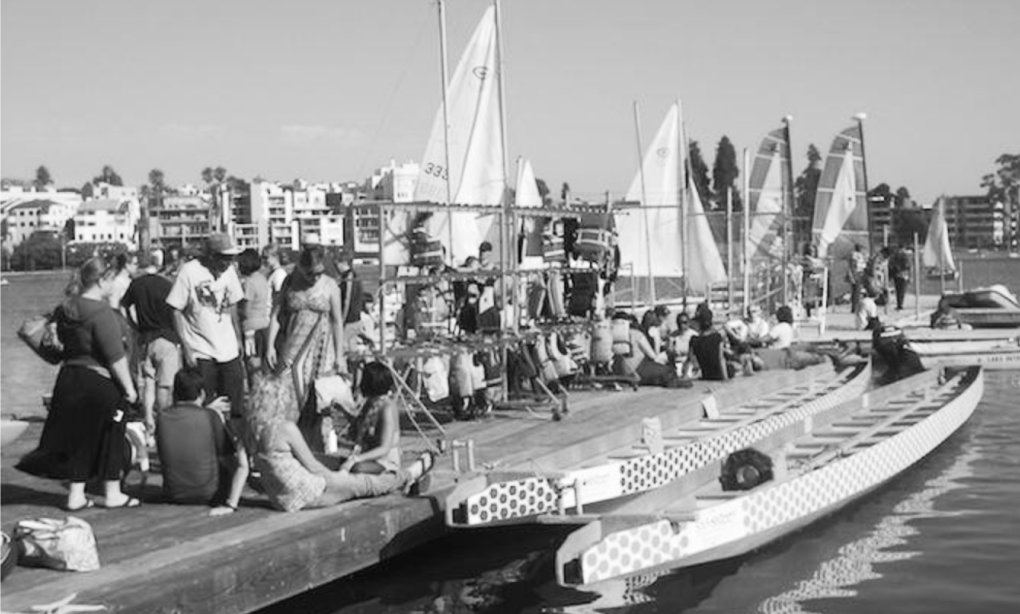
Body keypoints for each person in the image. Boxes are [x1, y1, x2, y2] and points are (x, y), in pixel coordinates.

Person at [17, 257, 140, 510]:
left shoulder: (66, 308)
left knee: (80, 439)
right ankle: (113, 493)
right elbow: (114, 357)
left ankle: (76, 495)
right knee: (110, 436)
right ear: (102, 280)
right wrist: (130, 389)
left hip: (69, 379)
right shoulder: (102, 312)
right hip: (99, 381)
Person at [246, 373, 435, 512]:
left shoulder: (251, 431)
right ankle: (411, 474)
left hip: (282, 499)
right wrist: (338, 477)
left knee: (347, 471)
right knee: (363, 484)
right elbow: (313, 466)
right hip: (307, 493)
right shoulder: (285, 428)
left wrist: (231, 503)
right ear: (280, 400)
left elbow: (244, 468)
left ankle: (401, 477)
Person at [266, 244, 346, 451]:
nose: (315, 278)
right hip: (291, 349)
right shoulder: (290, 282)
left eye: (319, 273)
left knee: (316, 400)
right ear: (300, 267)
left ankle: (315, 447)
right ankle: (286, 445)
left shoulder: (330, 286)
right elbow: (275, 315)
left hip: (320, 351)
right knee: (285, 397)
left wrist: (340, 355)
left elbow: (337, 322)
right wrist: (269, 346)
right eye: (310, 273)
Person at [166, 233, 246, 420]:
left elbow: (233, 304)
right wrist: (185, 347)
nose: (228, 262)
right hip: (200, 349)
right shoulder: (189, 272)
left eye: (231, 257)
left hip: (228, 349)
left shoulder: (230, 271)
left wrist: (239, 337)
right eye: (224, 257)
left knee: (234, 404)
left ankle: (233, 442)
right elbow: (175, 309)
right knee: (204, 402)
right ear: (211, 255)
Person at [156, 368, 248, 516]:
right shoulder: (210, 416)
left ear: (174, 393)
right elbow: (229, 458)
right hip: (210, 493)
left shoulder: (162, 418)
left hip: (173, 493)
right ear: (202, 394)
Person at [121, 251, 182, 434]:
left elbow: (123, 306)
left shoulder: (136, 284)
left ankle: (148, 418)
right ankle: (163, 421)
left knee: (148, 382)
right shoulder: (167, 284)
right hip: (167, 338)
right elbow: (176, 312)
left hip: (145, 338)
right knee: (165, 384)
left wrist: (133, 325)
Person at [337, 362, 402, 475]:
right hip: (366, 457)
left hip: (384, 462)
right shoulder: (371, 403)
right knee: (325, 460)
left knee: (356, 468)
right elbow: (360, 424)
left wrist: (356, 459)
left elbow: (384, 448)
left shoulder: (387, 408)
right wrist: (342, 410)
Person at [614, 313, 688, 387]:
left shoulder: (612, 335)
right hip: (637, 368)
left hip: (619, 371)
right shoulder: (636, 334)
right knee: (668, 370)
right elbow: (652, 356)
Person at [237, 248, 271, 381]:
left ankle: (255, 392)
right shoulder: (262, 279)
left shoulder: (250, 283)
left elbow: (246, 310)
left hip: (251, 328)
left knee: (252, 366)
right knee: (262, 365)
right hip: (264, 324)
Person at [686, 304, 736, 381]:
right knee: (733, 366)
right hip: (719, 374)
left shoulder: (694, 340)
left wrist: (684, 376)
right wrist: (725, 378)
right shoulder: (717, 337)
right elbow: (720, 358)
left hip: (706, 374)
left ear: (699, 322)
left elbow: (689, 360)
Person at [336, 258, 365, 355]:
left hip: (349, 320)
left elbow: (347, 300)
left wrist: (341, 320)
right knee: (352, 349)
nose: (337, 268)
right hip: (355, 319)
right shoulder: (354, 276)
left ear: (344, 263)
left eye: (338, 264)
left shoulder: (349, 278)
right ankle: (354, 368)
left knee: (342, 349)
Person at [847, 244, 868, 313]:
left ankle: (855, 307)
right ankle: (855, 307)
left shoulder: (858, 255)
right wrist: (853, 275)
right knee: (856, 292)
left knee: (856, 292)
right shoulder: (855, 255)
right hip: (856, 274)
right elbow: (853, 265)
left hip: (858, 273)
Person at [889, 244, 911, 310]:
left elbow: (892, 265)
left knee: (899, 291)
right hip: (903, 275)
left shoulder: (897, 255)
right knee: (901, 291)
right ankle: (900, 305)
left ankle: (899, 304)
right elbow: (908, 266)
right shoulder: (904, 256)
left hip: (898, 275)